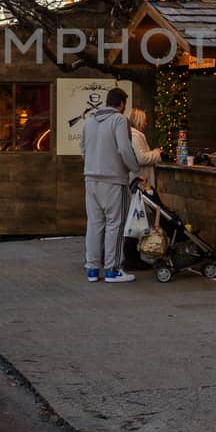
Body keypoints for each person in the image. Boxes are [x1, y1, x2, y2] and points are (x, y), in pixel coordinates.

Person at [80, 86, 141, 284]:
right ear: (121, 104)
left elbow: (83, 148)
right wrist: (135, 168)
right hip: (114, 180)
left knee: (94, 224)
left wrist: (93, 164)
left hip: (91, 179)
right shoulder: (119, 120)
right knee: (115, 224)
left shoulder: (89, 121)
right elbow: (124, 149)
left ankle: (91, 269)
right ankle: (112, 269)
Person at [123, 108, 163, 271]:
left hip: (138, 181)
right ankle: (132, 258)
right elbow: (141, 158)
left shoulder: (133, 135)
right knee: (136, 219)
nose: (146, 123)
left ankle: (132, 256)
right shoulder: (135, 136)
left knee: (136, 219)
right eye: (144, 120)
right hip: (139, 182)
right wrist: (157, 153)